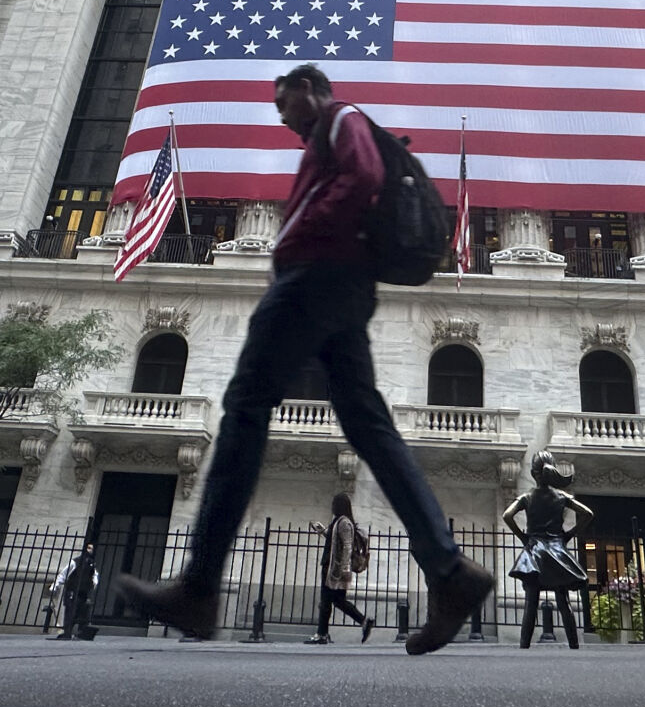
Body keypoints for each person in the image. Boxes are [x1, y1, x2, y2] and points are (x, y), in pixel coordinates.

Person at [117, 64, 493, 654]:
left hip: (316, 277)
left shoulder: (341, 119)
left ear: (312, 91)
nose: (280, 112)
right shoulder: (323, 138)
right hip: (340, 284)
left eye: (285, 99)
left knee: (244, 407)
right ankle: (450, 573)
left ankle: (200, 584)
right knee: (368, 425)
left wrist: (305, 237)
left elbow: (366, 175)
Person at [503, 452, 594, 649]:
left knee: (531, 603)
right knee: (563, 602)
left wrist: (523, 537)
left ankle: (524, 645)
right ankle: (574, 644)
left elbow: (507, 515)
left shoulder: (527, 497)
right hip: (557, 552)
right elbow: (587, 513)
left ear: (533, 473)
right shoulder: (561, 496)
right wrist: (569, 535)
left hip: (535, 552)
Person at [306, 492, 376, 644]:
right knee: (338, 601)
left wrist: (339, 571)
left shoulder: (344, 523)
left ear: (339, 506)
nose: (332, 507)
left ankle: (322, 634)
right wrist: (322, 531)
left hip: (334, 569)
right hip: (335, 567)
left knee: (326, 601)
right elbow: (335, 542)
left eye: (334, 504)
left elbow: (347, 547)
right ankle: (364, 621)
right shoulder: (339, 521)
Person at [52, 538, 99, 641]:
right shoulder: (75, 562)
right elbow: (63, 574)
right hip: (72, 590)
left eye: (92, 548)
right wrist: (55, 585)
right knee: (70, 612)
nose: (90, 550)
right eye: (88, 548)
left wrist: (94, 583)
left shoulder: (91, 563)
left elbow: (95, 575)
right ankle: (67, 633)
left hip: (83, 591)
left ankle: (80, 633)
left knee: (82, 612)